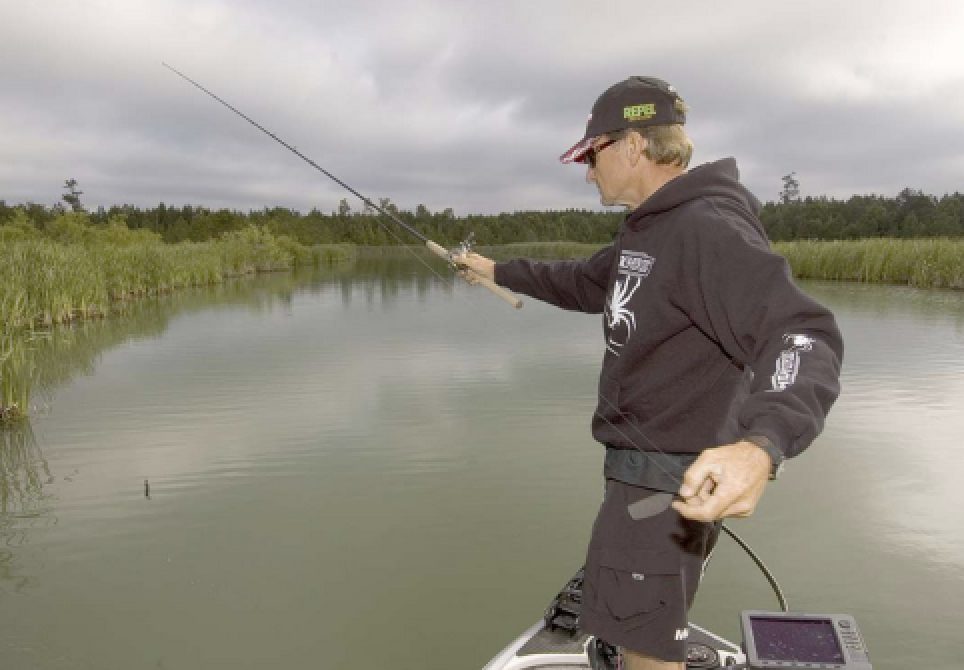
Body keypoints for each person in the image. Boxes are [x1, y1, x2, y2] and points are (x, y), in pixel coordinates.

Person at [455, 76, 843, 670]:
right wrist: (497, 272)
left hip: (667, 486)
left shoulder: (704, 229)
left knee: (645, 650)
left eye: (592, 154)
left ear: (632, 146)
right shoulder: (652, 228)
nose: (587, 171)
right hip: (643, 478)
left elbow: (802, 333)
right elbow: (586, 281)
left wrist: (760, 447)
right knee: (640, 629)